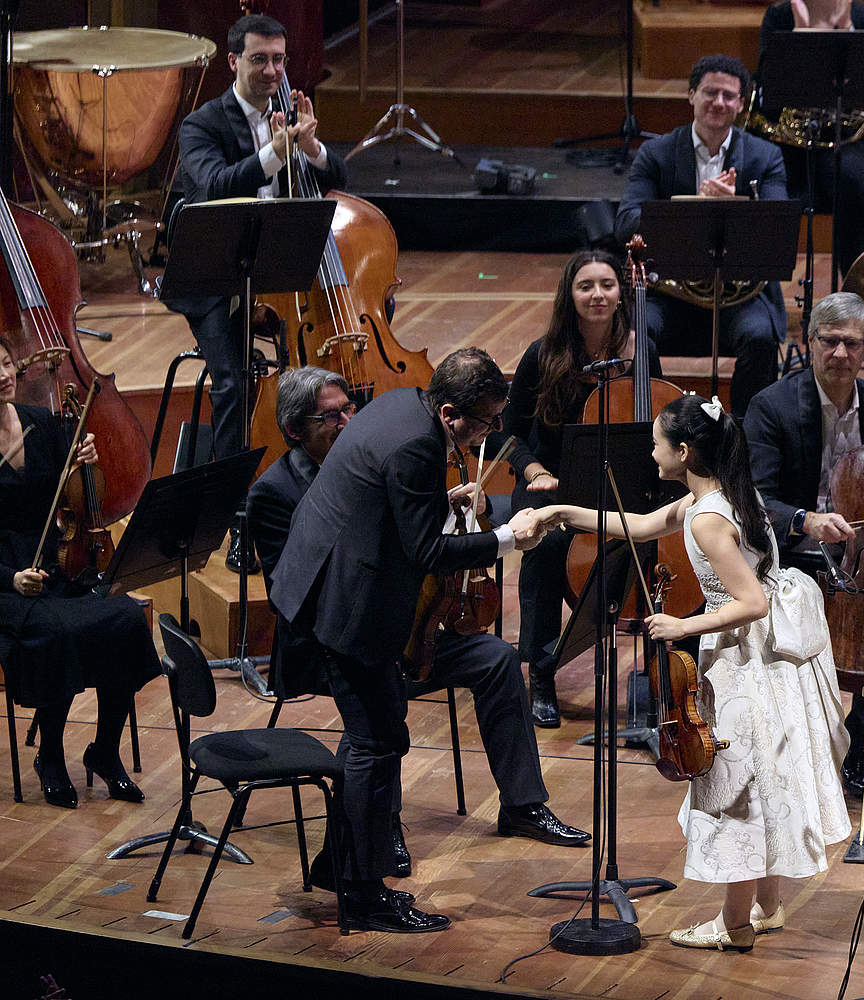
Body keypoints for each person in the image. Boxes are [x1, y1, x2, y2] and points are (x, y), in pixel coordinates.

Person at [534, 394, 850, 951]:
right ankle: (767, 907)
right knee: (763, 781)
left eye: (656, 443)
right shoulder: (721, 497)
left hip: (744, 663)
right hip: (767, 659)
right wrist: (563, 512)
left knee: (734, 789)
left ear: (682, 451)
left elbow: (750, 600)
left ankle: (734, 927)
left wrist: (682, 626)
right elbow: (634, 524)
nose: (651, 452)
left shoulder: (705, 520)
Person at [246, 367, 588, 867]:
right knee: (376, 733)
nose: (346, 420)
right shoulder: (278, 490)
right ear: (296, 429)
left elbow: (398, 525)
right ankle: (373, 847)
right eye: (330, 415)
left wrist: (437, 505)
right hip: (335, 636)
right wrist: (506, 538)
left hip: (405, 625)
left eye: (348, 408)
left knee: (494, 658)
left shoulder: (390, 431)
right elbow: (295, 587)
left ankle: (522, 806)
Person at [163, 13, 348, 571]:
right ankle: (237, 518)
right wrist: (275, 151)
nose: (273, 71)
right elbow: (215, 184)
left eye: (280, 60)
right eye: (261, 60)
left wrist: (310, 150)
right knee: (234, 378)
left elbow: (337, 174)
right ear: (233, 63)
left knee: (315, 373)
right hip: (215, 275)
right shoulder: (201, 124)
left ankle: (319, 492)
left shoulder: (292, 114)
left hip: (280, 270)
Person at [742, 292, 864, 798]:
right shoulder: (772, 406)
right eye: (831, 341)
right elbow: (755, 497)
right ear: (810, 342)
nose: (842, 354)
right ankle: (808, 746)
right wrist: (806, 520)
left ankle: (854, 745)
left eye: (853, 343)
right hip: (800, 551)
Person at [499, 249, 662, 727]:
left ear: (621, 292)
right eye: (585, 285)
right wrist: (532, 472)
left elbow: (661, 419)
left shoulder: (642, 348)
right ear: (569, 295)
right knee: (547, 546)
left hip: (625, 481)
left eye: (607, 285)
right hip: (552, 482)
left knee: (667, 545)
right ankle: (542, 671)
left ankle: (662, 671)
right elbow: (505, 431)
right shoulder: (542, 353)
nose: (597, 295)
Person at [0, 339, 160, 810]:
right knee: (60, 632)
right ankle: (50, 757)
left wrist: (83, 455)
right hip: (6, 581)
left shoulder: (42, 423)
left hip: (55, 563)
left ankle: (105, 752)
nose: (4, 374)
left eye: (6, 362)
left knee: (125, 619)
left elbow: (73, 493)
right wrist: (10, 579)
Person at [614, 54, 789, 417]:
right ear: (691, 95)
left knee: (760, 335)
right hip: (670, 292)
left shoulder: (765, 155)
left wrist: (738, 209)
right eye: (710, 92)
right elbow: (626, 222)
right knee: (637, 334)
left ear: (742, 104)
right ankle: (656, 422)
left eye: (729, 96)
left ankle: (747, 432)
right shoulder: (656, 153)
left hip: (737, 296)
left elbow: (779, 230)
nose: (719, 103)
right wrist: (696, 208)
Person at [756, 0, 864, 279]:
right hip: (786, 143)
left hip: (844, 140)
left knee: (851, 179)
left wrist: (848, 29)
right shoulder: (778, 16)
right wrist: (800, 36)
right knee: (767, 183)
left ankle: (854, 287)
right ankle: (765, 289)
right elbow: (770, 94)